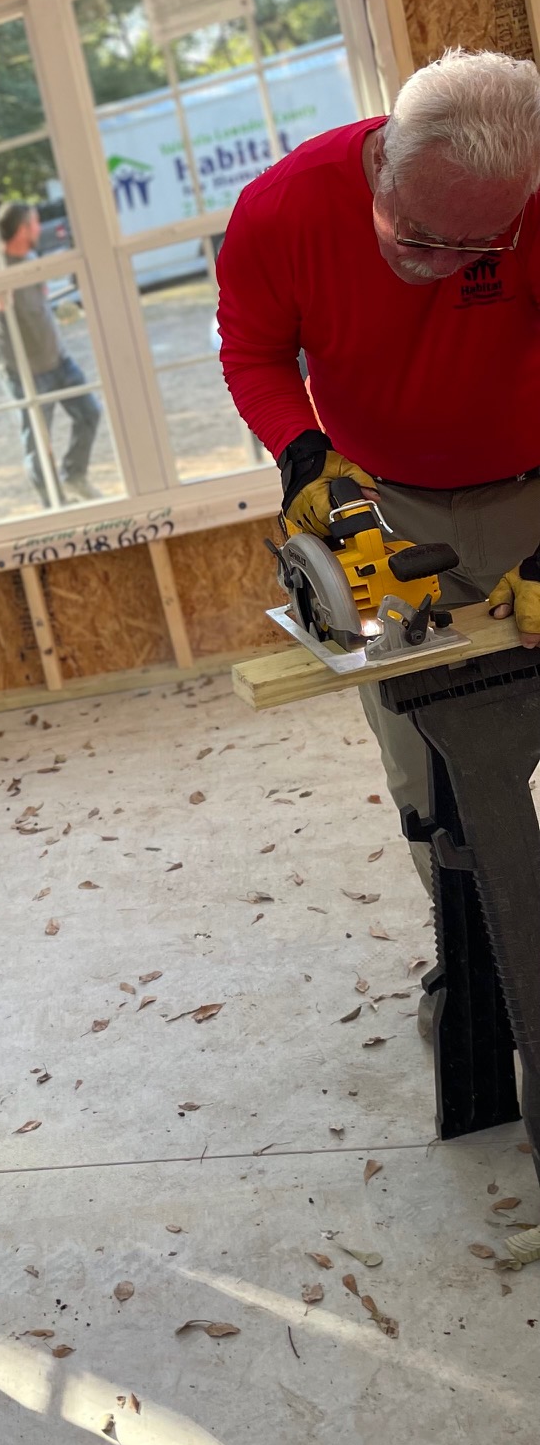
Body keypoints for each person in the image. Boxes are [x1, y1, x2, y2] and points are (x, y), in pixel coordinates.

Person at [216, 47, 540, 921]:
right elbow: (255, 353)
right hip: (385, 506)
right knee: (428, 769)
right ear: (386, 159)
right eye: (418, 235)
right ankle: (478, 966)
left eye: (477, 245)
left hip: (532, 486)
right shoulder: (283, 210)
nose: (442, 264)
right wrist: (302, 453)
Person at [0, 200, 102, 502]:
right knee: (39, 443)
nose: (40, 228)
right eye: (35, 223)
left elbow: (36, 306)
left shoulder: (32, 259)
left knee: (89, 413)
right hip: (24, 373)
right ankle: (54, 504)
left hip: (58, 361)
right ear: (22, 229)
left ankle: (74, 476)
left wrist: (57, 312)